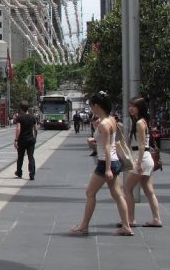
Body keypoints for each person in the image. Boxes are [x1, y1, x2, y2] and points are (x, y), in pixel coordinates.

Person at [70, 91, 133, 236]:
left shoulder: (104, 124)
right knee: (118, 195)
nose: (91, 109)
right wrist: (94, 137)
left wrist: (108, 169)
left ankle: (84, 226)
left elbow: (106, 146)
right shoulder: (111, 120)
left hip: (106, 162)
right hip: (114, 160)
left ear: (97, 106)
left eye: (91, 106)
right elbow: (108, 140)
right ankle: (126, 226)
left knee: (90, 193)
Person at [122, 96, 163, 228]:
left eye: (133, 106)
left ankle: (131, 219)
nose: (130, 109)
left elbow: (141, 145)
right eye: (130, 106)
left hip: (142, 158)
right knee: (149, 190)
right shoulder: (144, 121)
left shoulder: (140, 123)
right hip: (146, 158)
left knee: (127, 189)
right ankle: (156, 219)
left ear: (139, 108)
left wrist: (138, 162)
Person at [14, 102, 38, 181]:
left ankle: (19, 172)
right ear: (28, 108)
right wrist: (35, 137)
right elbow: (36, 129)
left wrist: (16, 140)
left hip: (22, 140)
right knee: (31, 157)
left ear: (21, 109)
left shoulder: (19, 118)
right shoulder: (33, 117)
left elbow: (18, 129)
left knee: (20, 157)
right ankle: (32, 174)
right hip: (31, 140)